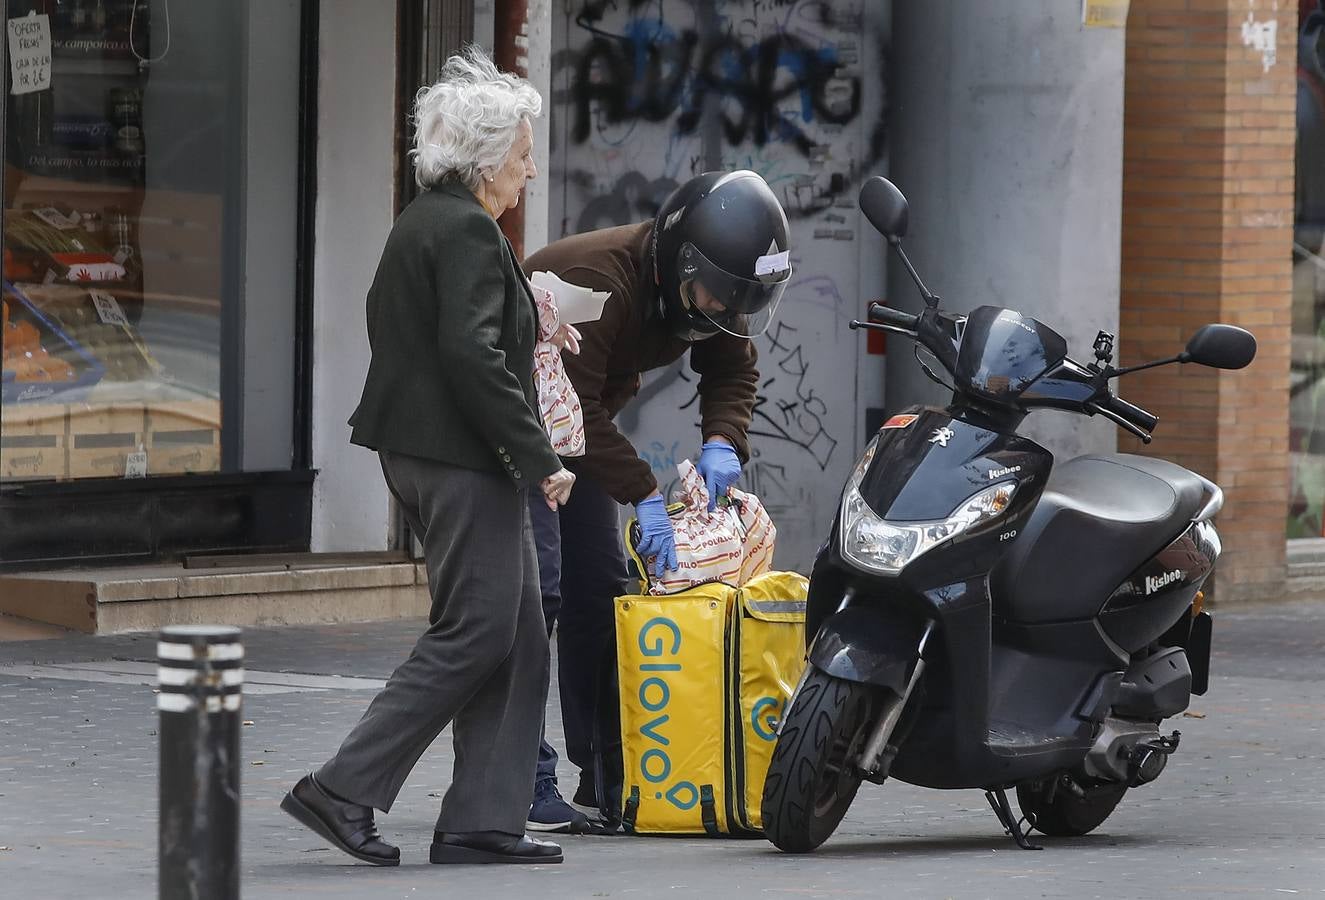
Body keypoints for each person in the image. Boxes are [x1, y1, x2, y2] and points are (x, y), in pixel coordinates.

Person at [281, 46, 576, 866]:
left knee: (518, 635)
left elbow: (438, 338)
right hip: (462, 457)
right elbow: (473, 358)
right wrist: (538, 454)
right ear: (486, 161)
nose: (528, 170)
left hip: (433, 450)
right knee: (477, 629)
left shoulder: (428, 223)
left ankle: (484, 817)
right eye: (522, 155)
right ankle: (341, 788)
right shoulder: (469, 233)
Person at [520, 171, 793, 832]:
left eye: (742, 304)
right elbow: (570, 408)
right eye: (720, 297)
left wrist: (723, 442)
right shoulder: (594, 280)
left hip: (573, 438)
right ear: (678, 264)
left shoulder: (707, 293)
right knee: (534, 598)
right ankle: (522, 778)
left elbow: (733, 366)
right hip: (515, 434)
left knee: (598, 593)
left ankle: (606, 774)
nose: (727, 314)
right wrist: (643, 493)